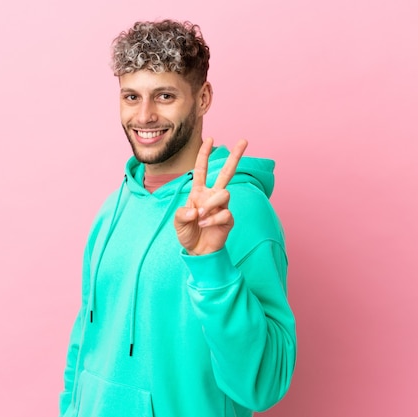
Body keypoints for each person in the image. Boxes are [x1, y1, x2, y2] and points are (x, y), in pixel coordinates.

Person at [59, 19, 296, 417]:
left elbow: (265, 382)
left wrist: (211, 264)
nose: (145, 116)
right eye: (131, 97)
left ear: (202, 99)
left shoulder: (239, 210)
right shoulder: (112, 209)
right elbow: (85, 342)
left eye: (165, 95)